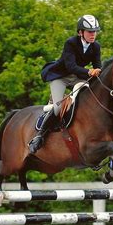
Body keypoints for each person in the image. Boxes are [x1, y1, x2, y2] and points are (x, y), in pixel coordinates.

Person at [29, 14, 102, 154]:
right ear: (81, 32)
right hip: (61, 77)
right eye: (90, 32)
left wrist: (98, 71)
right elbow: (71, 67)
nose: (93, 35)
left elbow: (97, 66)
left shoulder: (96, 46)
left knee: (85, 102)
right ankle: (39, 136)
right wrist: (89, 71)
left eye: (95, 32)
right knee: (57, 109)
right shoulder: (71, 43)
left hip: (78, 78)